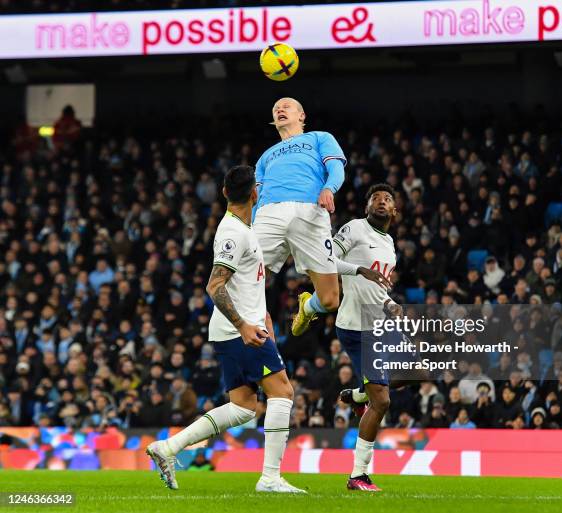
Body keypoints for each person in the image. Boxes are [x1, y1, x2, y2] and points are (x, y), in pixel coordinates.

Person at [146, 165, 304, 494]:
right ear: (255, 193)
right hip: (239, 331)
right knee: (283, 393)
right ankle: (270, 478)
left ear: (224, 193)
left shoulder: (244, 230)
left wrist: (265, 320)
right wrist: (245, 325)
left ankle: (169, 448)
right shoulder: (233, 233)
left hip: (241, 327)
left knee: (244, 407)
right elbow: (215, 285)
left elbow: (248, 285)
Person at [253, 98, 387, 337]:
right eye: (276, 109)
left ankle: (307, 306)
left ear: (302, 116)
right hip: (269, 212)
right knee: (242, 277)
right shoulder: (265, 156)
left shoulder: (319, 138)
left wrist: (329, 188)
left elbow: (336, 169)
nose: (280, 109)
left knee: (329, 300)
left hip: (310, 211)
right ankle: (261, 347)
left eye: (286, 106)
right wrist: (248, 226)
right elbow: (257, 194)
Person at [329, 184, 399, 491]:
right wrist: (359, 270)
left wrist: (388, 303)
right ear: (366, 206)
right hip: (357, 327)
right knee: (381, 401)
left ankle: (358, 396)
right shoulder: (355, 229)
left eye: (387, 199)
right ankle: (358, 474)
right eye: (375, 198)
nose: (381, 202)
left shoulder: (390, 243)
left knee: (418, 372)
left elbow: (378, 288)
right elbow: (325, 259)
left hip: (379, 320)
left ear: (394, 210)